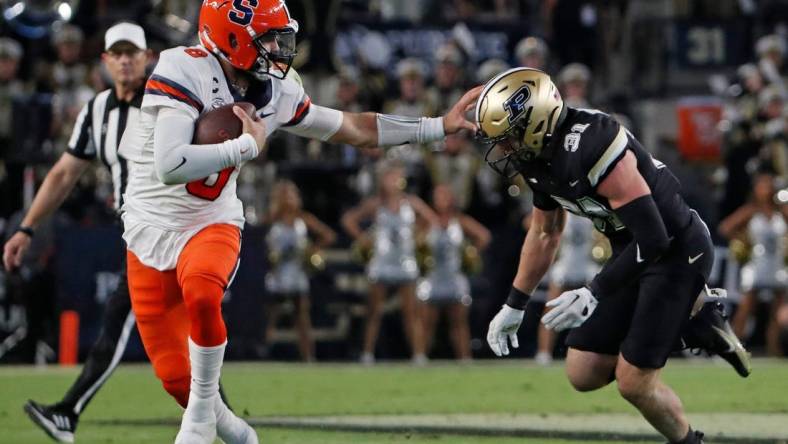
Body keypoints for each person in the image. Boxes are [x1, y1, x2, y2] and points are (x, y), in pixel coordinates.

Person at [117, 1, 480, 442]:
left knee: (202, 292)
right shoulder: (181, 67)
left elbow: (355, 127)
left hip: (210, 217)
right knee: (176, 377)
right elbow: (170, 165)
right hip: (150, 224)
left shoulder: (277, 89)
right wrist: (245, 148)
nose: (280, 48)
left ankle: (196, 426)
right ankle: (233, 429)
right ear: (232, 39)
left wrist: (438, 125)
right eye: (268, 38)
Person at [479, 68, 751, 444]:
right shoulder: (537, 156)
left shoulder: (593, 142)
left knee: (633, 383)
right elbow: (544, 231)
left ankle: (692, 441)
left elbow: (655, 238)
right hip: (632, 249)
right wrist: (515, 303)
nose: (504, 149)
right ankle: (697, 322)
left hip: (676, 249)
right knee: (583, 371)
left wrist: (593, 291)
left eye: (508, 138)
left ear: (536, 122)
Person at [2, 22, 153, 443]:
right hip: (139, 231)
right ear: (105, 61)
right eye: (117, 53)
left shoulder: (167, 100)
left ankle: (67, 412)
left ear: (147, 58)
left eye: (132, 53)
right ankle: (229, 424)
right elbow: (64, 172)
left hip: (174, 226)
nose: (125, 60)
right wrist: (27, 228)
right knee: (176, 336)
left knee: (133, 323)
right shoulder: (97, 111)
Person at [342, 160, 438, 365]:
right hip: (382, 261)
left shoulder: (411, 202)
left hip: (405, 261)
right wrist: (363, 239)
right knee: (374, 311)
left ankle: (418, 355)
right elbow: (348, 220)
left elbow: (432, 221)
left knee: (411, 312)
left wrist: (419, 237)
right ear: (382, 180)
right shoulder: (376, 204)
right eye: (390, 177)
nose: (395, 181)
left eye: (397, 177)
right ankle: (367, 353)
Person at [263, 179, 336, 362]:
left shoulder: (303, 218)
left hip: (297, 272)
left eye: (292, 195)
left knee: (302, 316)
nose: (289, 199)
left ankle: (308, 356)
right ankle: (261, 351)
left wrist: (312, 249)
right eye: (285, 195)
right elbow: (255, 236)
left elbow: (329, 235)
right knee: (271, 315)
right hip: (277, 273)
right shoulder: (272, 219)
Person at [719, 169, 788, 356]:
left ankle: (774, 350)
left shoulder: (780, 212)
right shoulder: (751, 211)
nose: (765, 189)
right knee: (746, 309)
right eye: (761, 185)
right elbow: (725, 227)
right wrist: (742, 240)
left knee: (776, 313)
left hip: (776, 266)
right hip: (756, 265)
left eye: (768, 185)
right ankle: (732, 349)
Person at [417, 184, 490, 360]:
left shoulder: (459, 220)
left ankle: (464, 358)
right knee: (427, 323)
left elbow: (484, 236)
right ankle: (419, 357)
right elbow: (414, 241)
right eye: (438, 196)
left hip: (454, 277)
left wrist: (470, 253)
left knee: (459, 323)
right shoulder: (427, 221)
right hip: (433, 277)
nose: (441, 199)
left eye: (445, 195)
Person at [535, 213, 598, 365]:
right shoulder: (563, 213)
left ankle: (596, 352)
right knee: (551, 310)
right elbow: (534, 224)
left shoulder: (592, 213)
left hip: (586, 266)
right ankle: (544, 353)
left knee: (596, 312)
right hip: (565, 266)